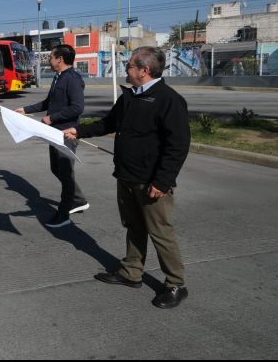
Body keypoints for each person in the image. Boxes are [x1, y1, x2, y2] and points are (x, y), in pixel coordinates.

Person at [63, 46, 191, 309]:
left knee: (160, 233)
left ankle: (176, 284)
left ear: (144, 71)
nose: (126, 68)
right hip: (127, 175)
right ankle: (132, 273)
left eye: (130, 65)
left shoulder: (168, 100)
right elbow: (109, 123)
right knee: (134, 227)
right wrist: (79, 130)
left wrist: (162, 182)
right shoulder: (130, 97)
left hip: (151, 181)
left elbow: (177, 146)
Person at [16, 44, 87, 228]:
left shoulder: (72, 79)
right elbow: (49, 102)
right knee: (56, 169)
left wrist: (52, 117)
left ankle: (63, 215)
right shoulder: (59, 78)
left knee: (65, 172)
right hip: (53, 132)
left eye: (51, 56)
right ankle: (79, 200)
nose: (49, 59)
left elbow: (77, 107)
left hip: (66, 133)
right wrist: (26, 109)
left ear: (60, 59)